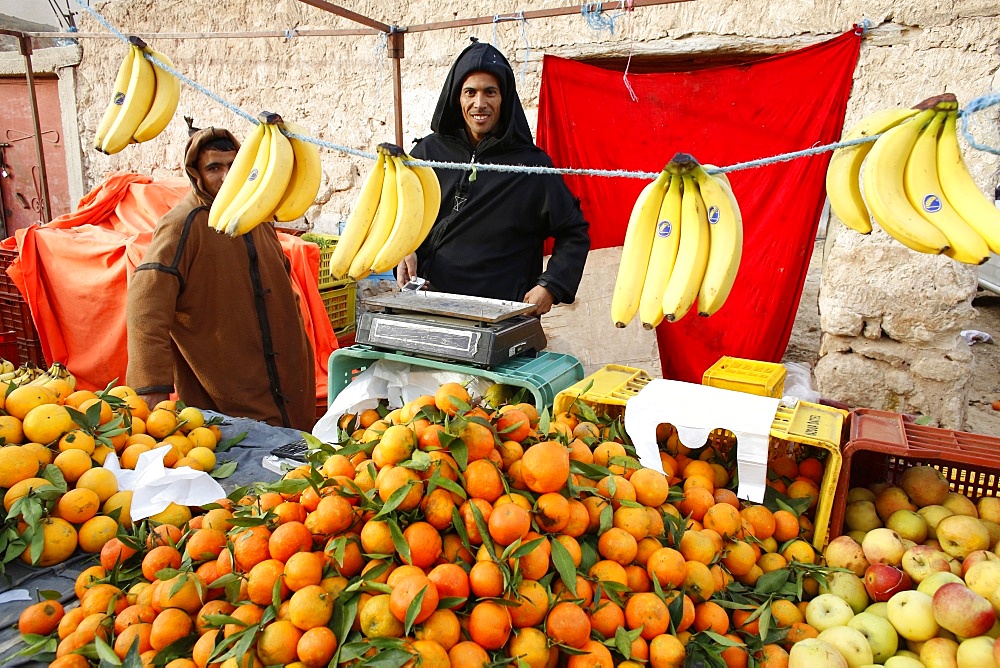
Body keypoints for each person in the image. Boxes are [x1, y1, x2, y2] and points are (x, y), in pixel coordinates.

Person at [125, 126, 317, 430]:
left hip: (287, 384)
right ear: (196, 173)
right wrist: (151, 385)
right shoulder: (183, 225)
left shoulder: (256, 217)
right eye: (214, 167)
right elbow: (145, 305)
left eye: (233, 165)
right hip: (227, 388)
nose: (226, 177)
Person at [396, 39, 590, 316]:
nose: (479, 103)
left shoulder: (532, 167)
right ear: (456, 97)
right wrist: (403, 251)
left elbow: (574, 232)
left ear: (505, 98)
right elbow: (403, 217)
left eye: (490, 92)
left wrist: (551, 285)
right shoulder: (428, 152)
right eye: (470, 92)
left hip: (502, 314)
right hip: (430, 305)